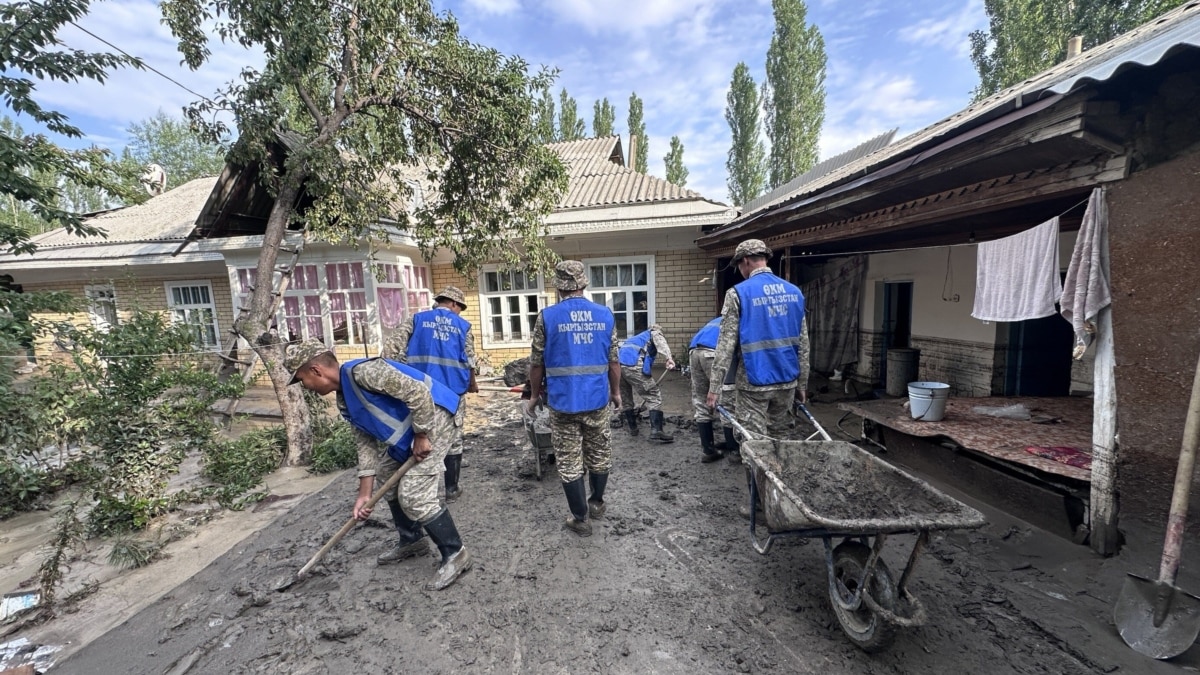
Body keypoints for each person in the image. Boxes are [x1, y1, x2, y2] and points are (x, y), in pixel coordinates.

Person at [285, 340, 472, 590]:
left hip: (437, 417)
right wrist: (364, 496)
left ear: (316, 370)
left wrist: (422, 435)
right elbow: (365, 444)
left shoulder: (364, 373)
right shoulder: (345, 399)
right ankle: (412, 540)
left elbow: (418, 393)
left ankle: (455, 553)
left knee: (414, 494)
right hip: (416, 426)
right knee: (386, 472)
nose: (305, 387)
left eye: (302, 380)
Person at [526, 260, 621, 537]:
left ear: (559, 286)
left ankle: (580, 519)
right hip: (596, 400)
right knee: (600, 452)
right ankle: (597, 503)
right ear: (583, 284)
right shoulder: (604, 315)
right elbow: (614, 362)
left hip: (563, 403)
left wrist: (534, 396)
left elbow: (535, 364)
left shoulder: (547, 317)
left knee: (569, 461)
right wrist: (615, 393)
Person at [706, 238, 810, 456]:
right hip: (787, 380)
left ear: (745, 261)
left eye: (739, 267)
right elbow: (803, 345)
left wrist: (714, 388)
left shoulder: (738, 293)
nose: (740, 272)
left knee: (755, 444)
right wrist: (802, 384)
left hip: (754, 382)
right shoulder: (794, 292)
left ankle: (759, 487)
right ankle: (781, 483)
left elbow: (725, 345)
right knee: (782, 441)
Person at [382, 286, 478, 501]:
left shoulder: (416, 320)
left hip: (419, 391)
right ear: (453, 304)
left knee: (418, 434)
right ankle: (451, 489)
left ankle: (410, 481)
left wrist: (401, 379)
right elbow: (470, 360)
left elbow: (389, 351)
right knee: (454, 439)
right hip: (452, 394)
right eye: (460, 307)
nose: (459, 312)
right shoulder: (462, 326)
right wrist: (472, 382)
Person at [617, 324, 676, 443]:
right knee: (654, 396)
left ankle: (633, 428)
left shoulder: (637, 338)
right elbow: (661, 344)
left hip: (619, 367)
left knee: (626, 398)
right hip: (633, 365)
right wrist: (668, 358)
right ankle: (656, 432)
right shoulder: (654, 332)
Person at [688, 317, 725, 462]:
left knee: (701, 400)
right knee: (725, 399)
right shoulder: (741, 318)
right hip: (713, 352)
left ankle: (708, 450)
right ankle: (734, 450)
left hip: (694, 352)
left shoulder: (716, 320)